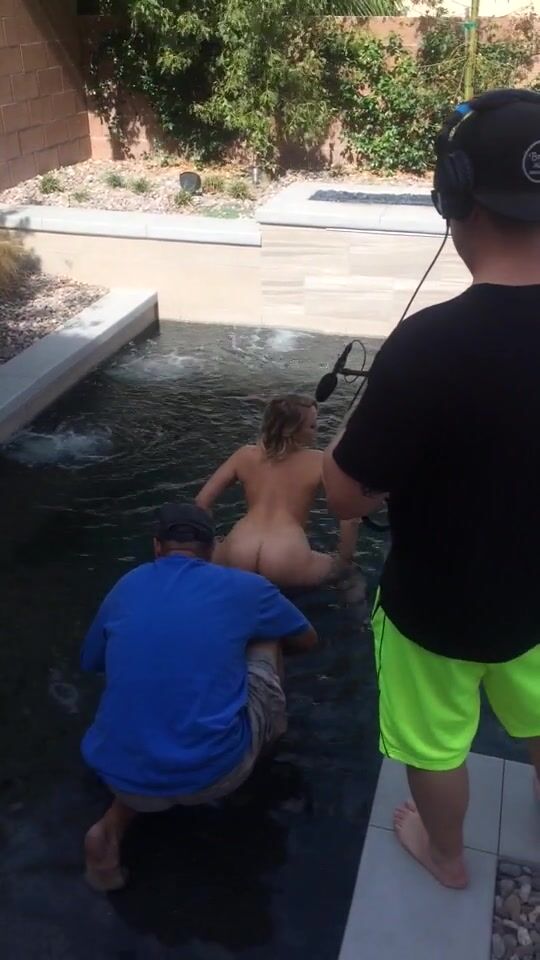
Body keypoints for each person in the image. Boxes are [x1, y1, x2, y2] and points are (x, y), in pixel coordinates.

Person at [322, 89, 540, 890]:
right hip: (537, 601)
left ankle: (446, 857)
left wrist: (348, 435)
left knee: (435, 746)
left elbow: (347, 497)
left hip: (435, 611)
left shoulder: (427, 346)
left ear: (454, 196)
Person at [81, 503, 317, 891]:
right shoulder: (246, 587)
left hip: (122, 777)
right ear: (212, 549)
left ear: (156, 546)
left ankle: (109, 829)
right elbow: (307, 639)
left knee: (149, 706)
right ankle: (263, 749)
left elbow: (91, 660)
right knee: (269, 634)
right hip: (217, 773)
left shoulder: (126, 585)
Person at [195, 394, 359, 589]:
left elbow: (202, 501)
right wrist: (344, 559)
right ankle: (356, 606)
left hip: (240, 547)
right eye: (312, 426)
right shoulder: (319, 461)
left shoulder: (244, 455)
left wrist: (211, 544)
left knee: (216, 549)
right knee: (350, 575)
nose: (317, 430)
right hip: (286, 555)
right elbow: (350, 516)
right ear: (291, 430)